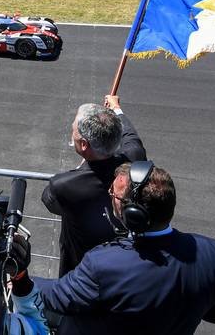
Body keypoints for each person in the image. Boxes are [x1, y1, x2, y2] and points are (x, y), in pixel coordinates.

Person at [39, 162, 215, 334]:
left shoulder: (104, 264)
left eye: (114, 195)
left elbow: (56, 296)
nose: (111, 196)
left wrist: (20, 278)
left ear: (134, 214)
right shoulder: (212, 253)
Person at [42, 95, 146, 276]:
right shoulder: (135, 158)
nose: (72, 131)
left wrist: (80, 168)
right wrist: (116, 109)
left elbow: (49, 200)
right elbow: (130, 136)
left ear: (84, 145)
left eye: (73, 129)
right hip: (126, 267)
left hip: (81, 272)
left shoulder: (64, 185)